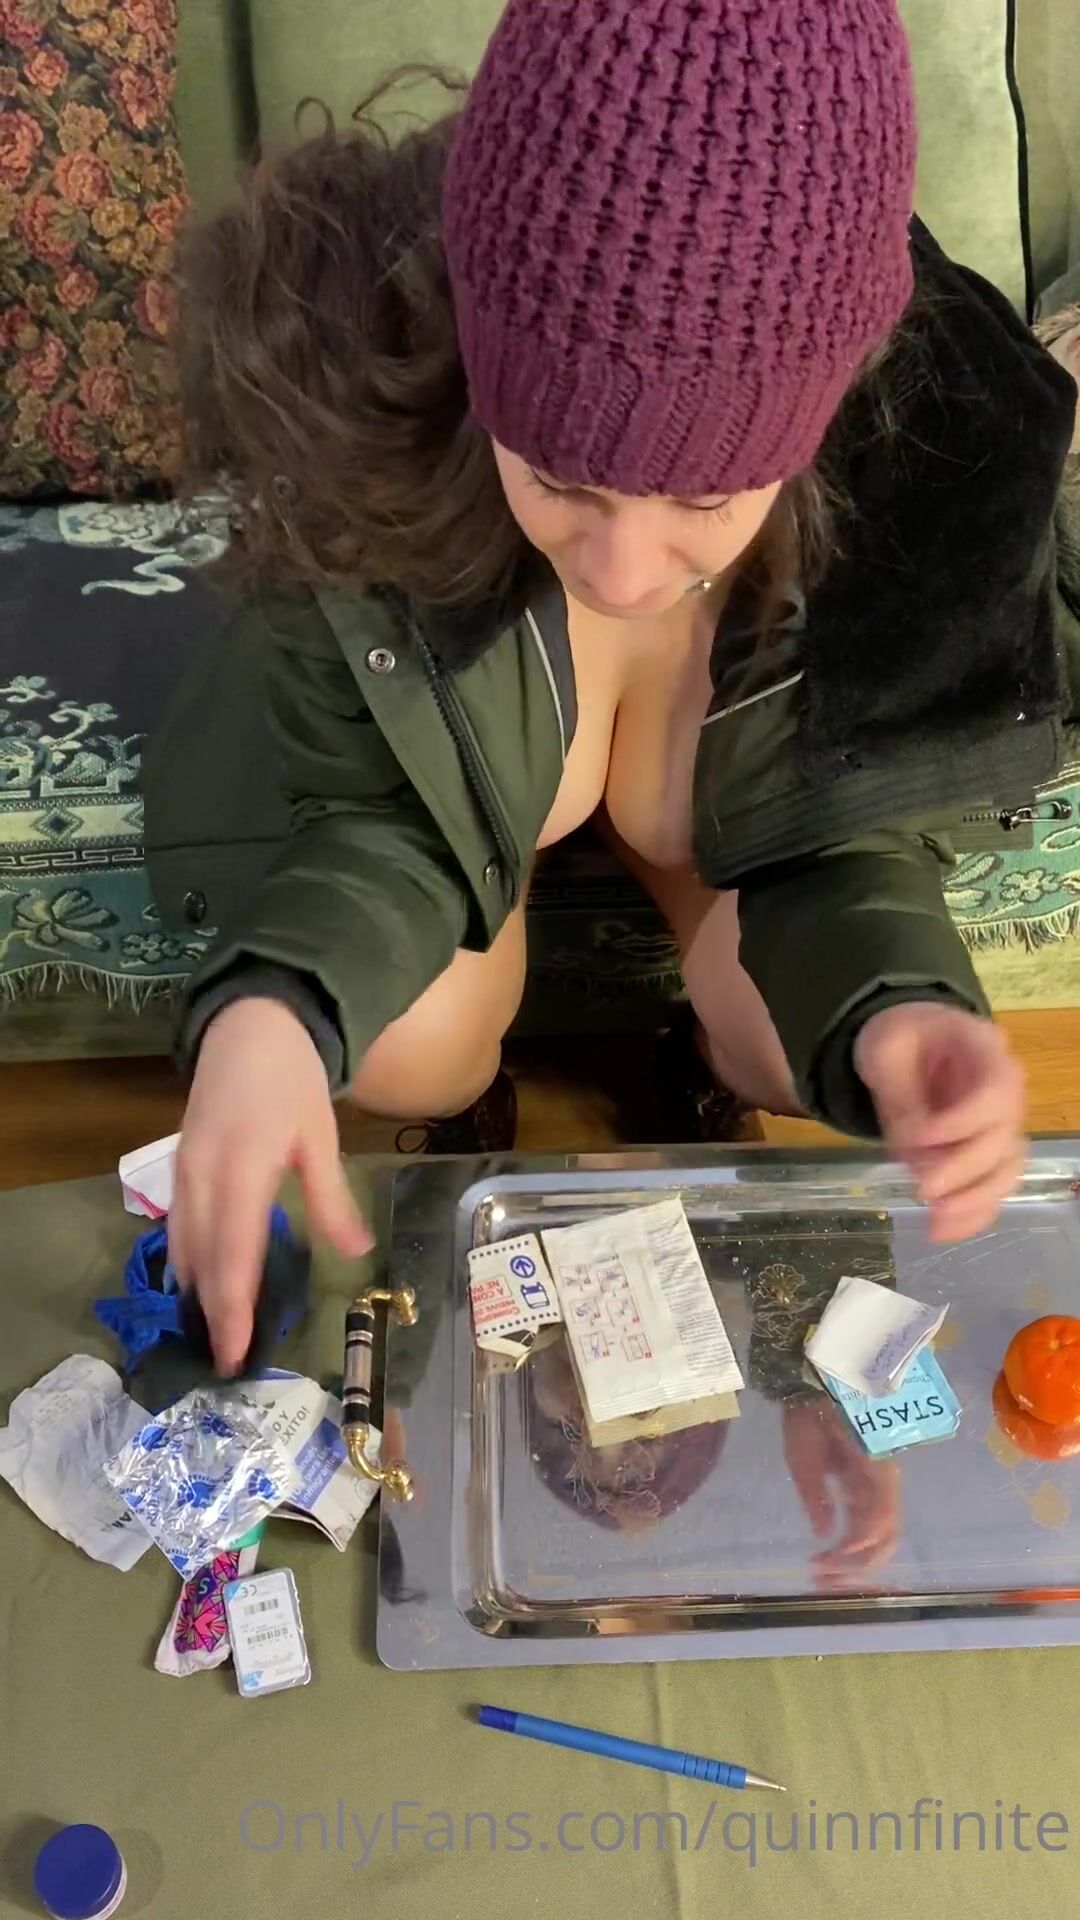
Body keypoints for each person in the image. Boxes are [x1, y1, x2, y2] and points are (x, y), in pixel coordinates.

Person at [146, 0, 1080, 1376]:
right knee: (408, 1044)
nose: (625, 571)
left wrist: (906, 1011)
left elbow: (849, 833)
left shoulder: (924, 473)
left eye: (707, 499)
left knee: (799, 1036)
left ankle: (700, 1047)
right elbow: (373, 819)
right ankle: (475, 1060)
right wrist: (277, 1010)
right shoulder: (356, 435)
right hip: (452, 814)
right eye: (557, 477)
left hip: (747, 840)